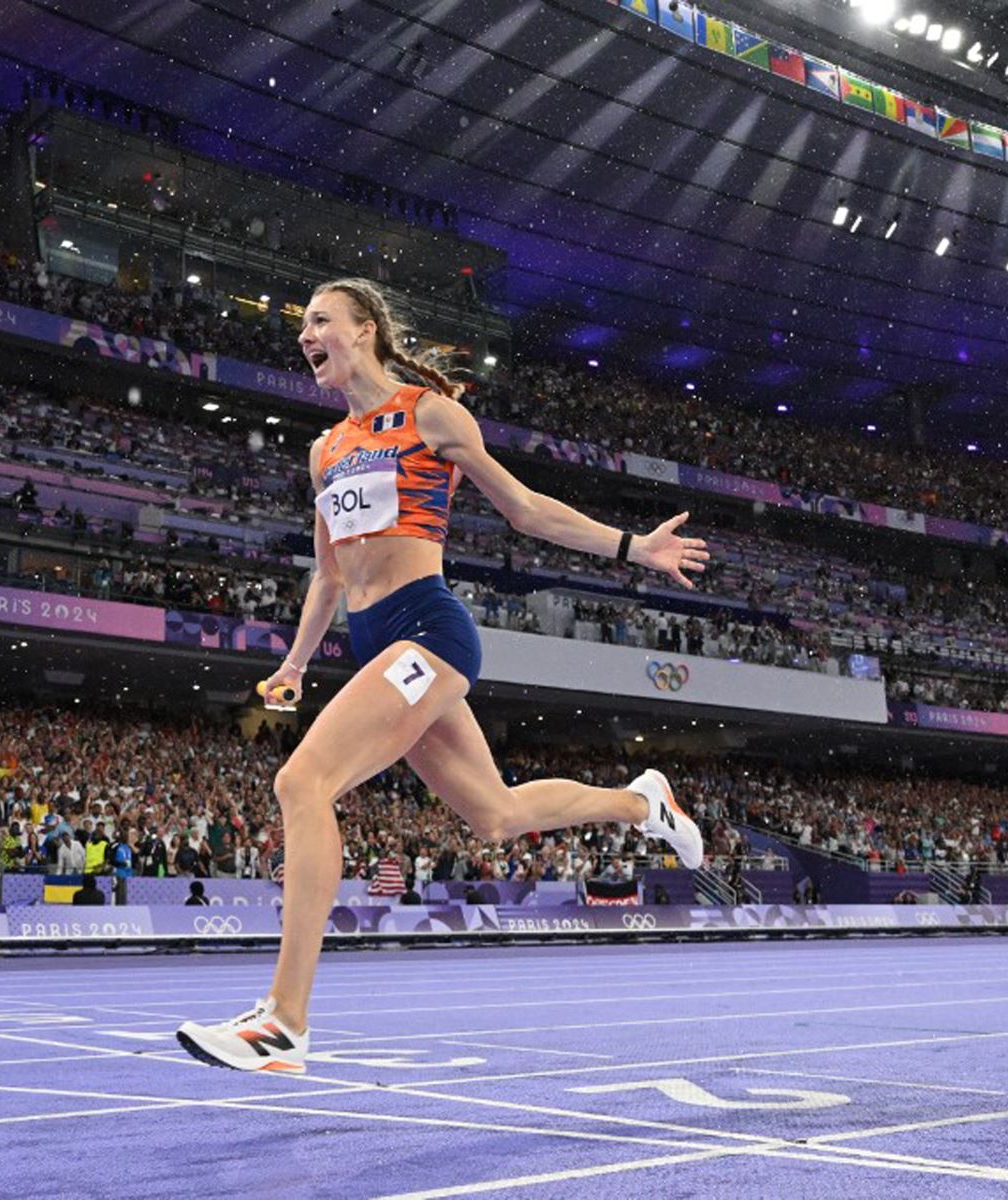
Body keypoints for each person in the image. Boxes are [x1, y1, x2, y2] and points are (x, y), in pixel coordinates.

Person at [176, 278, 709, 1073]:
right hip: (375, 643)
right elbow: (327, 576)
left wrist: (635, 548)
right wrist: (291, 665)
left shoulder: (429, 413)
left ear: (365, 330)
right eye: (303, 325)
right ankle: (643, 801)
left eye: (320, 320)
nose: (305, 335)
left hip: (430, 631)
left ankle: (284, 1020)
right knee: (494, 817)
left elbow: (525, 509)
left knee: (302, 784)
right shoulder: (324, 450)